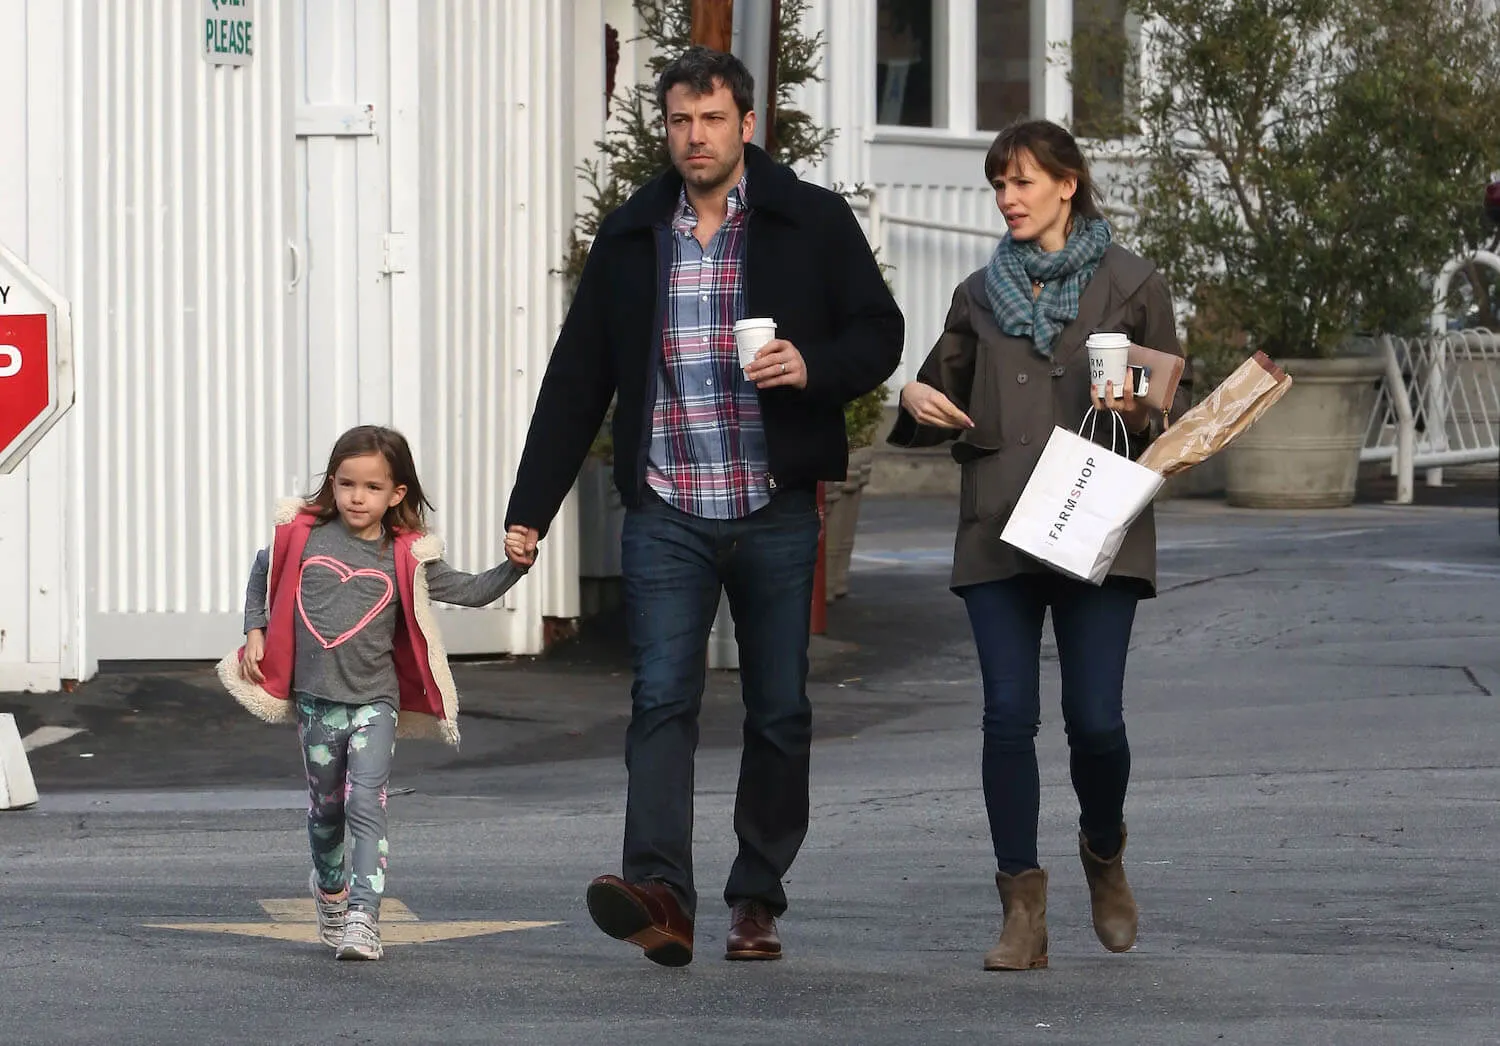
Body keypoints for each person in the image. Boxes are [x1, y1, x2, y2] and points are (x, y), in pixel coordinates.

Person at [502, 46, 903, 966]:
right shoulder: (634, 235)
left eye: (712, 119)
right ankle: (660, 895)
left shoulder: (809, 220)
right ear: (666, 127)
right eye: (680, 121)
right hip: (669, 508)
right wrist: (533, 506)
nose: (695, 136)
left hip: (772, 504)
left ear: (746, 125)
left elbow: (879, 331)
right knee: (662, 700)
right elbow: (578, 381)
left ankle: (756, 898)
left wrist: (813, 368)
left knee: (777, 710)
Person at [889, 119, 1185, 972]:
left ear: (1067, 183)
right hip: (998, 527)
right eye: (998, 186)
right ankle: (1021, 905)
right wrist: (913, 396)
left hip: (1097, 526)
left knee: (1095, 720)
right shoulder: (981, 292)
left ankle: (1103, 849)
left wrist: (1136, 399)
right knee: (1006, 716)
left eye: (1021, 182)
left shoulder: (1131, 282)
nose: (1007, 199)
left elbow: (1171, 398)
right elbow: (936, 392)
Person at [217, 425, 532, 961]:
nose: (356, 497)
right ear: (332, 484)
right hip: (316, 700)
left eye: (371, 487)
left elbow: (473, 591)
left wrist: (515, 567)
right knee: (326, 810)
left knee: (367, 802)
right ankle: (331, 890)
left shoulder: (407, 555)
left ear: (397, 494)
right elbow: (261, 576)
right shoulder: (304, 536)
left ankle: (364, 916)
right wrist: (255, 632)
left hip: (374, 702)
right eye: (346, 484)